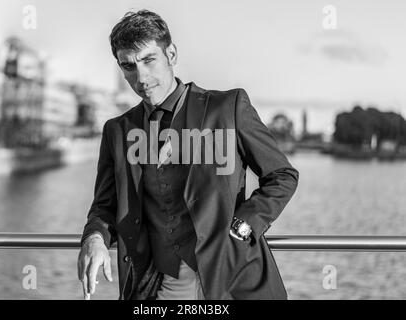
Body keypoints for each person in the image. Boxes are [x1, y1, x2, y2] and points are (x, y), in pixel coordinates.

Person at [77, 9, 299, 300]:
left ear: (171, 54)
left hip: (233, 283)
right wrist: (95, 238)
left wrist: (245, 225)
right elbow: (104, 206)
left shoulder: (228, 108)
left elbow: (282, 176)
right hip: (159, 289)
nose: (141, 77)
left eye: (148, 60)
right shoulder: (117, 131)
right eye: (128, 66)